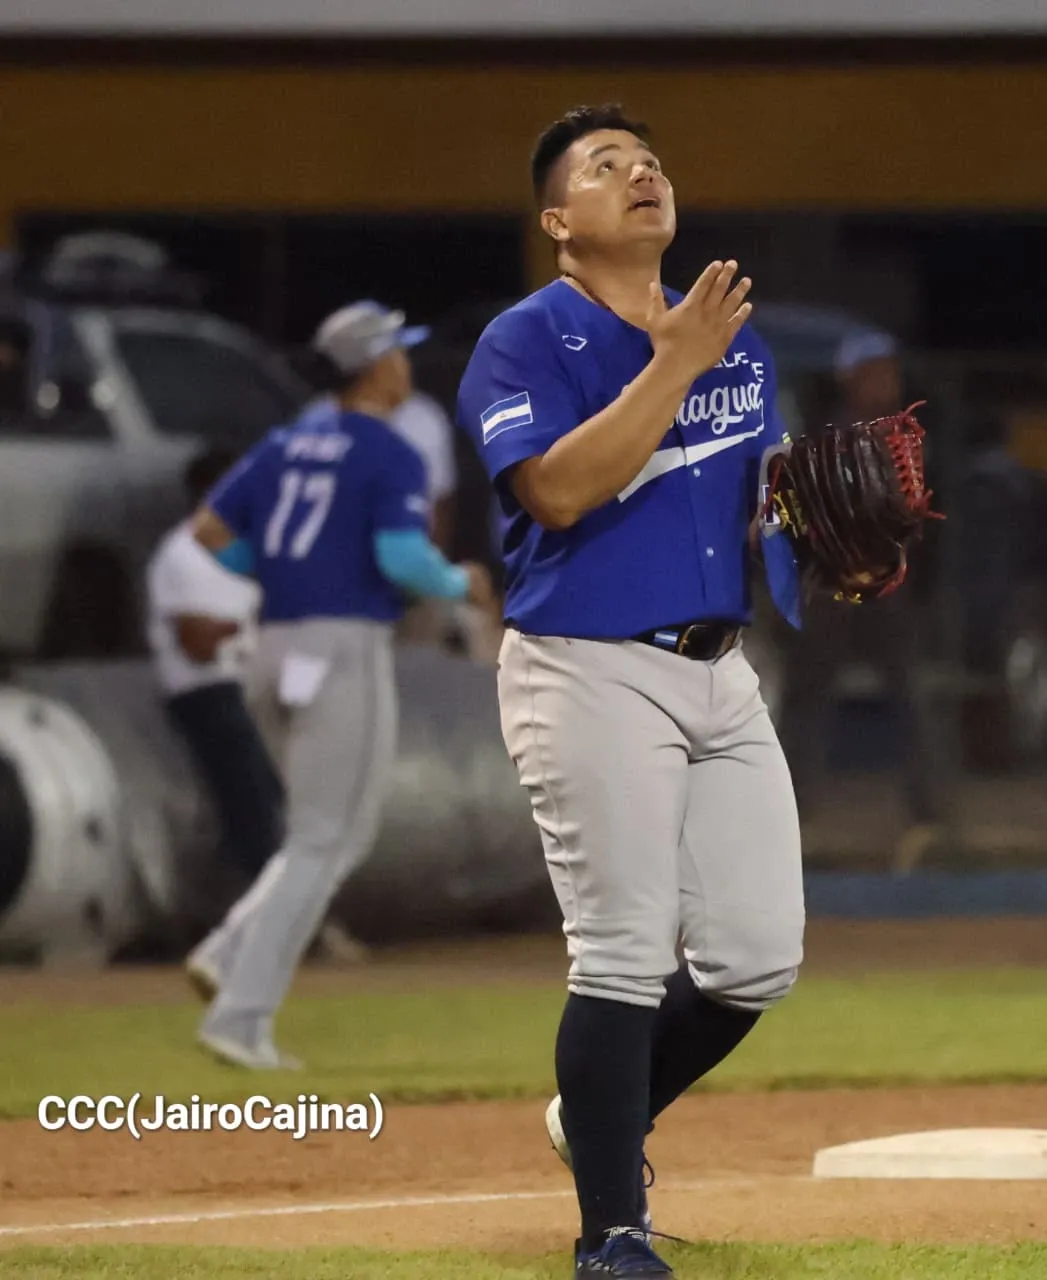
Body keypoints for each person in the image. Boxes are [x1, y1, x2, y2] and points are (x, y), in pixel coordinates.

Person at [456, 105, 805, 1280]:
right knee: (617, 951)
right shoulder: (524, 340)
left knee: (757, 956)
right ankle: (613, 1230)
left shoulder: (729, 339)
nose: (641, 174)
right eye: (607, 168)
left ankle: (591, 1114)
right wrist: (677, 361)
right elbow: (558, 492)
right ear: (560, 221)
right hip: (586, 666)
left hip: (721, 671)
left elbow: (755, 504)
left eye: (651, 161)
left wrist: (820, 542)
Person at [185, 299, 496, 1069]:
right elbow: (400, 560)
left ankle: (228, 951)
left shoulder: (289, 440)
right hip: (340, 648)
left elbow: (209, 533)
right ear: (377, 365)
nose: (404, 366)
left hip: (270, 647)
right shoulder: (386, 450)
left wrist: (278, 572)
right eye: (396, 353)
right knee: (328, 837)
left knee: (320, 833)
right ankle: (240, 1016)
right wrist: (462, 581)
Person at [776, 328, 947, 865]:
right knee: (805, 701)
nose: (885, 379)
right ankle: (786, 820)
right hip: (829, 589)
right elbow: (787, 511)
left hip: (886, 591)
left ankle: (930, 820)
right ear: (848, 377)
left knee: (913, 696)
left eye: (889, 369)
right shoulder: (818, 434)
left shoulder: (909, 437)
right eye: (873, 370)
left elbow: (928, 524)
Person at [145, 447, 283, 913]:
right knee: (252, 796)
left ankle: (235, 900)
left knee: (275, 790)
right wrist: (242, 628)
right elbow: (197, 647)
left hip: (244, 686)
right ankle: (260, 914)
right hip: (203, 692)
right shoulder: (181, 554)